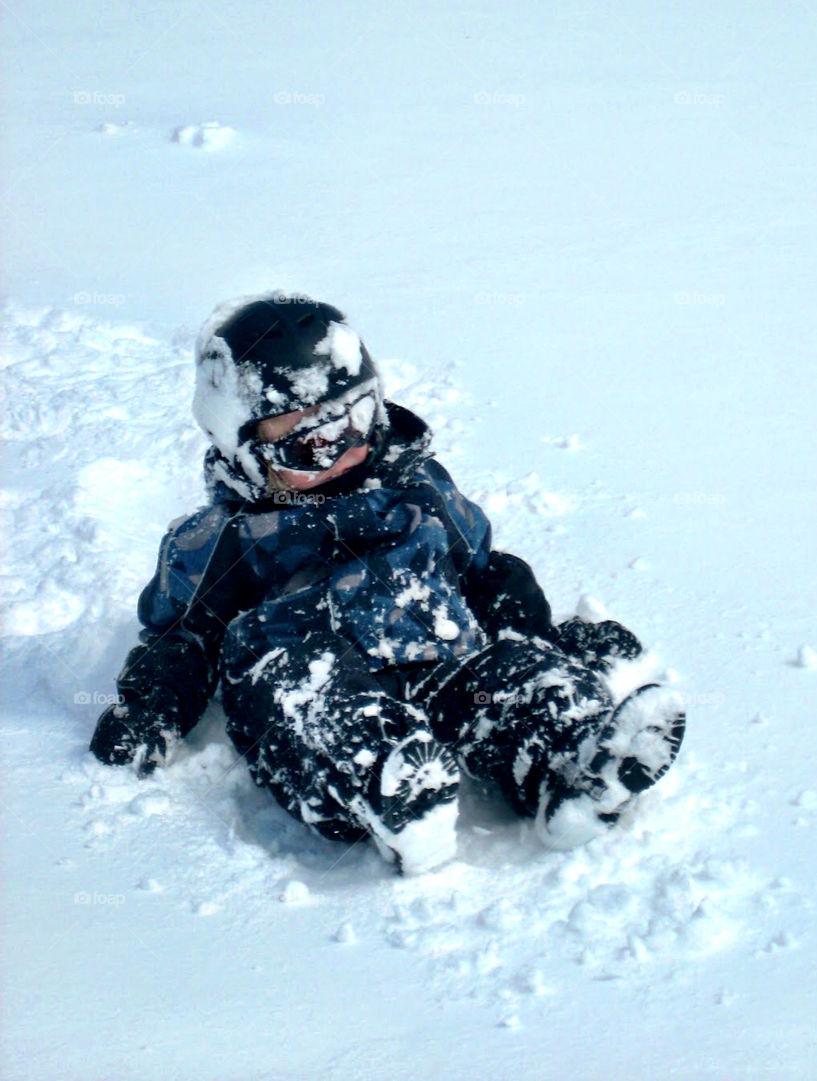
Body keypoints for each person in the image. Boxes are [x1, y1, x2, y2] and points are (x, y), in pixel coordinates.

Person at [89, 293, 685, 873]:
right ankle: (392, 793)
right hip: (315, 678)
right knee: (296, 691)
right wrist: (150, 709)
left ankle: (574, 763)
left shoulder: (415, 488)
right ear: (245, 452)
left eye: (358, 417)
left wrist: (542, 643)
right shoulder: (222, 541)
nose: (346, 449)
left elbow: (481, 569)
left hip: (440, 660)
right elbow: (182, 640)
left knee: (506, 680)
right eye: (314, 442)